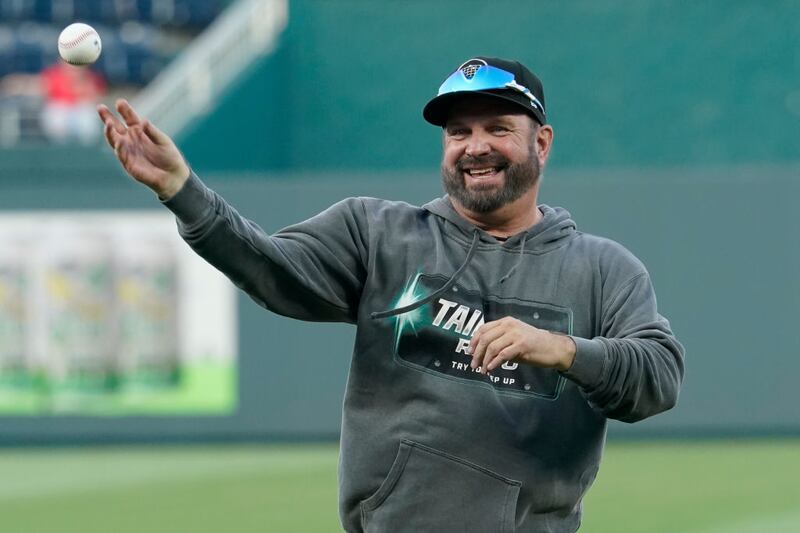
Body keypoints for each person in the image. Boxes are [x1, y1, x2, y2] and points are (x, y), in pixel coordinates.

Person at [98, 56, 684, 533]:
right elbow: (271, 270)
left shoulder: (603, 269)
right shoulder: (376, 233)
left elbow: (657, 378)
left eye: (498, 129)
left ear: (543, 143)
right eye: (459, 132)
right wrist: (182, 190)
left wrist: (561, 349)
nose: (474, 146)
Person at [40, 59, 106, 145]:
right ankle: (59, 149)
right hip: (61, 109)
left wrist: (80, 82)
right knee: (56, 118)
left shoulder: (90, 76)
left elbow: (96, 97)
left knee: (87, 118)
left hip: (80, 110)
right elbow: (46, 94)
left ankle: (88, 150)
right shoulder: (53, 74)